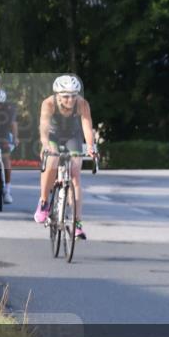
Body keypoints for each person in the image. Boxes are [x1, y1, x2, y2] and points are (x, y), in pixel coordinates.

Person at [34, 75, 97, 239]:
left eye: (74, 95)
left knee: (75, 173)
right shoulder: (48, 103)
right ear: (57, 95)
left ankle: (77, 224)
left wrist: (90, 146)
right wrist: (45, 144)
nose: (70, 100)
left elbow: (87, 127)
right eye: (66, 96)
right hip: (53, 137)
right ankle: (43, 201)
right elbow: (44, 128)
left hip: (72, 137)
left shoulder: (82, 104)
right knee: (52, 160)